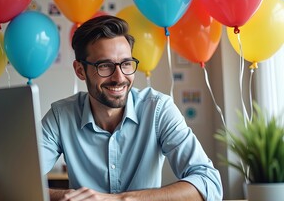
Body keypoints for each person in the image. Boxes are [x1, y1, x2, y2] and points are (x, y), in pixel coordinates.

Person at [41, 15, 223, 201]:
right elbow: (17, 183)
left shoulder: (158, 109)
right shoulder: (60, 116)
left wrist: (122, 199)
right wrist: (70, 197)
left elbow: (208, 182)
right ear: (80, 70)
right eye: (105, 66)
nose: (119, 78)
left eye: (126, 64)